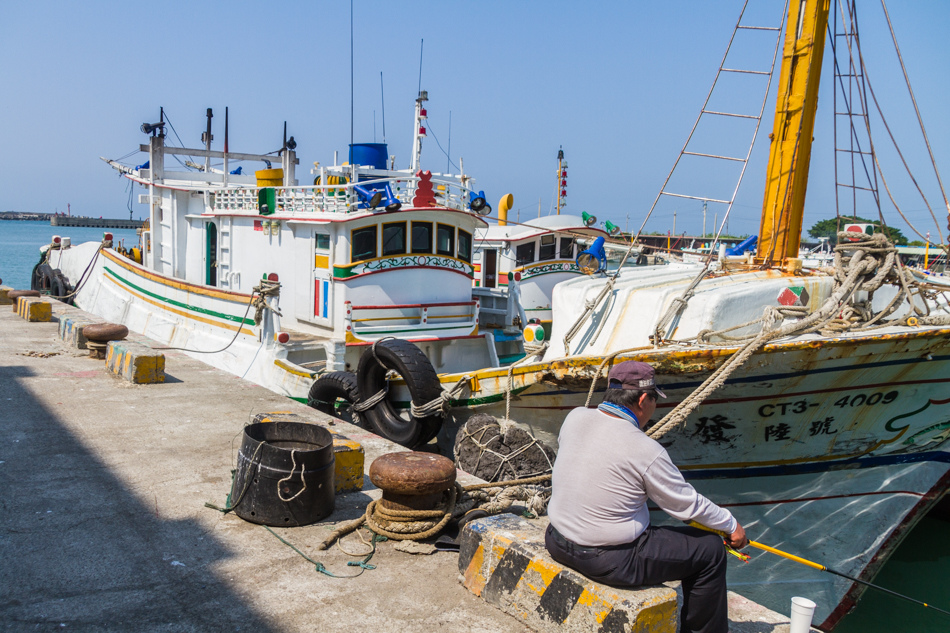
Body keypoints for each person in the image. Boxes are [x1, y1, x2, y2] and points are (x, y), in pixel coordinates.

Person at [545, 361, 747, 633]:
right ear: (642, 399)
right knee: (710, 551)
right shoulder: (646, 450)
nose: (654, 408)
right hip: (607, 560)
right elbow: (685, 505)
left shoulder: (575, 417)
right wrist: (730, 526)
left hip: (556, 540)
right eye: (654, 399)